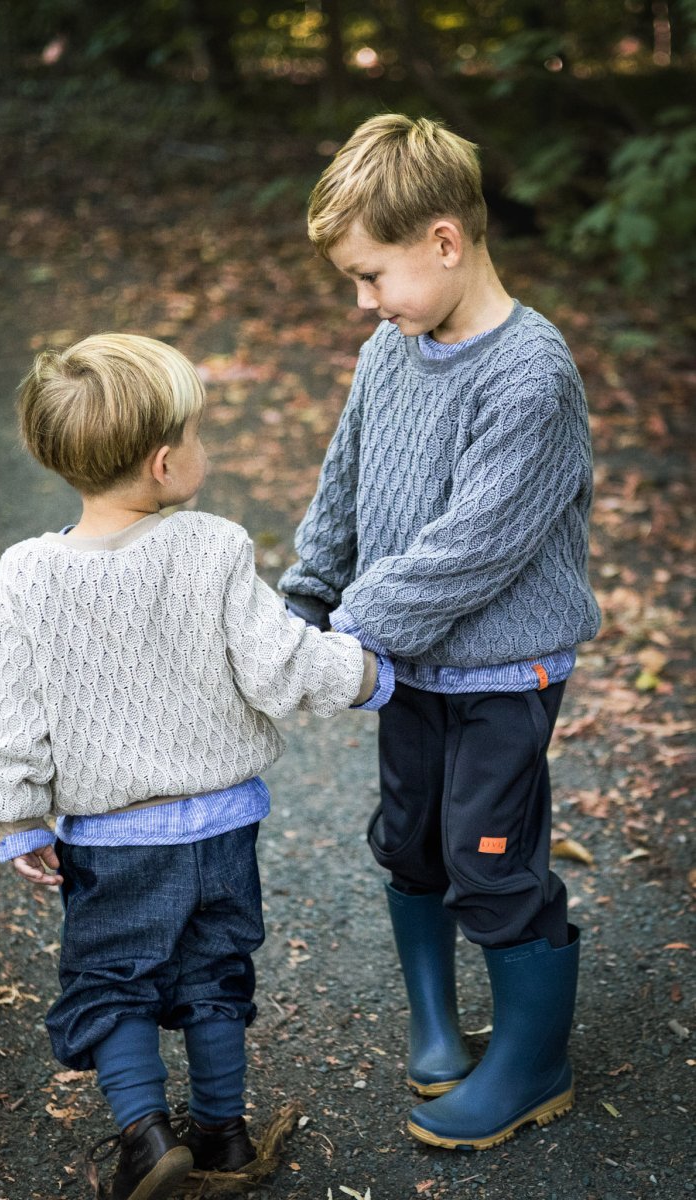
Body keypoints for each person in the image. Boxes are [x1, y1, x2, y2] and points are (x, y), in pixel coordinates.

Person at [0, 333, 390, 1200]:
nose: (206, 450)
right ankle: (224, 1134)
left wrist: (15, 817)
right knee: (214, 971)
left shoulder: (24, 578)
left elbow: (12, 720)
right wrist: (364, 672)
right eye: (198, 435)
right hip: (224, 827)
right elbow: (280, 664)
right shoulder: (213, 548)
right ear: (164, 463)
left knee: (110, 978)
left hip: (116, 839)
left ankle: (143, 1134)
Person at [279, 114, 602, 1152]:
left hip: (504, 670)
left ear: (447, 242)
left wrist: (349, 638)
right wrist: (304, 600)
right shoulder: (393, 347)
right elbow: (345, 485)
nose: (363, 303)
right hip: (405, 665)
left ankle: (532, 1060)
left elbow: (475, 549)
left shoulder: (531, 376)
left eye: (373, 276)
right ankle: (435, 1018)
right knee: (410, 837)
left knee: (490, 858)